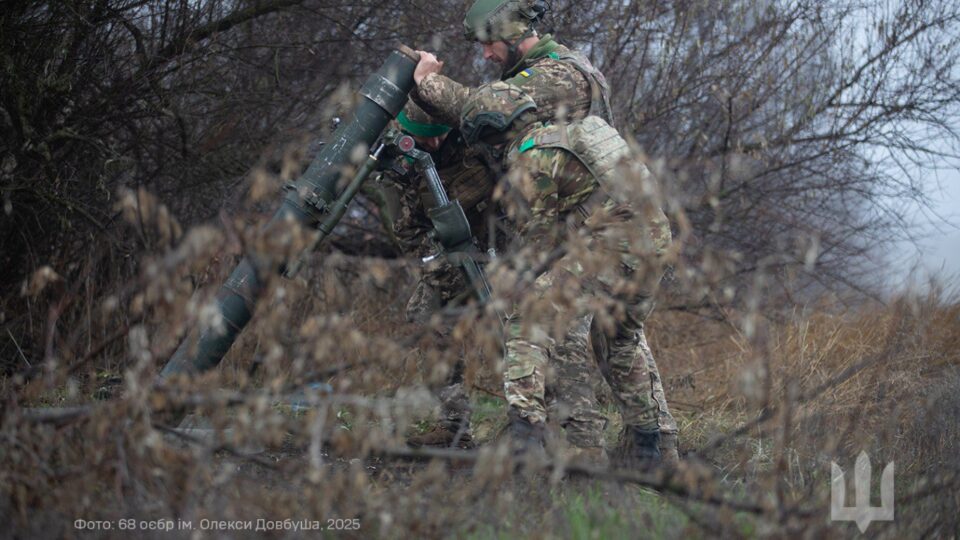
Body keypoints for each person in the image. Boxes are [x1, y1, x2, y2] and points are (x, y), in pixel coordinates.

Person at [455, 82, 675, 466]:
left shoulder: (531, 155)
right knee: (619, 340)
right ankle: (649, 450)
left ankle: (525, 440)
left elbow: (539, 240)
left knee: (529, 316)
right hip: (655, 238)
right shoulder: (584, 128)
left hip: (614, 243)